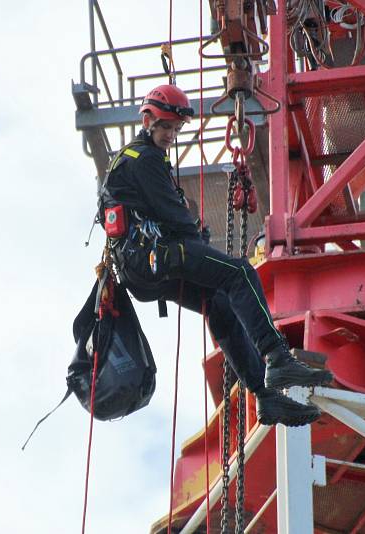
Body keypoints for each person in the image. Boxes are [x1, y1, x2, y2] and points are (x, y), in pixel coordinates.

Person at [99, 84, 333, 427]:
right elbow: (175, 219)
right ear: (147, 120)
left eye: (176, 130)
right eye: (165, 127)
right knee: (238, 274)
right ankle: (276, 356)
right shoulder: (144, 159)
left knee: (220, 305)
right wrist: (197, 242)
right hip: (156, 256)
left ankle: (266, 397)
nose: (170, 135)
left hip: (143, 269)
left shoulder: (135, 159)